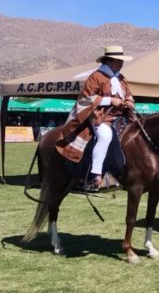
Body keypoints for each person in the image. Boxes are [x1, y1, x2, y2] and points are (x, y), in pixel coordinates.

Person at [56, 45, 135, 191]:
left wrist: (129, 101)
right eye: (119, 61)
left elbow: (129, 94)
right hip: (99, 117)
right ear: (110, 60)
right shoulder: (96, 77)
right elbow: (86, 99)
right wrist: (110, 100)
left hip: (120, 117)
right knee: (105, 135)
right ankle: (95, 174)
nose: (121, 64)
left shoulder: (122, 78)